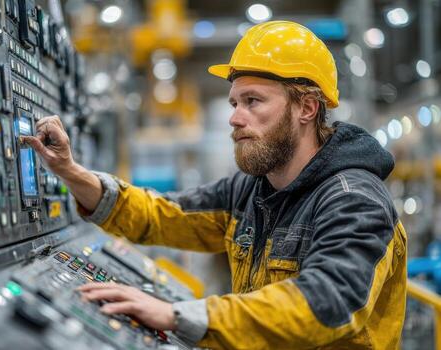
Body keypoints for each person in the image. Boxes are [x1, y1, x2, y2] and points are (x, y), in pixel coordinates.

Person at [22, 21, 407, 350]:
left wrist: (177, 314)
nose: (235, 118)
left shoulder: (355, 201)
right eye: (234, 103)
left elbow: (328, 304)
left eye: (253, 101)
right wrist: (71, 172)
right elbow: (164, 215)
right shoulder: (252, 191)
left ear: (306, 108)